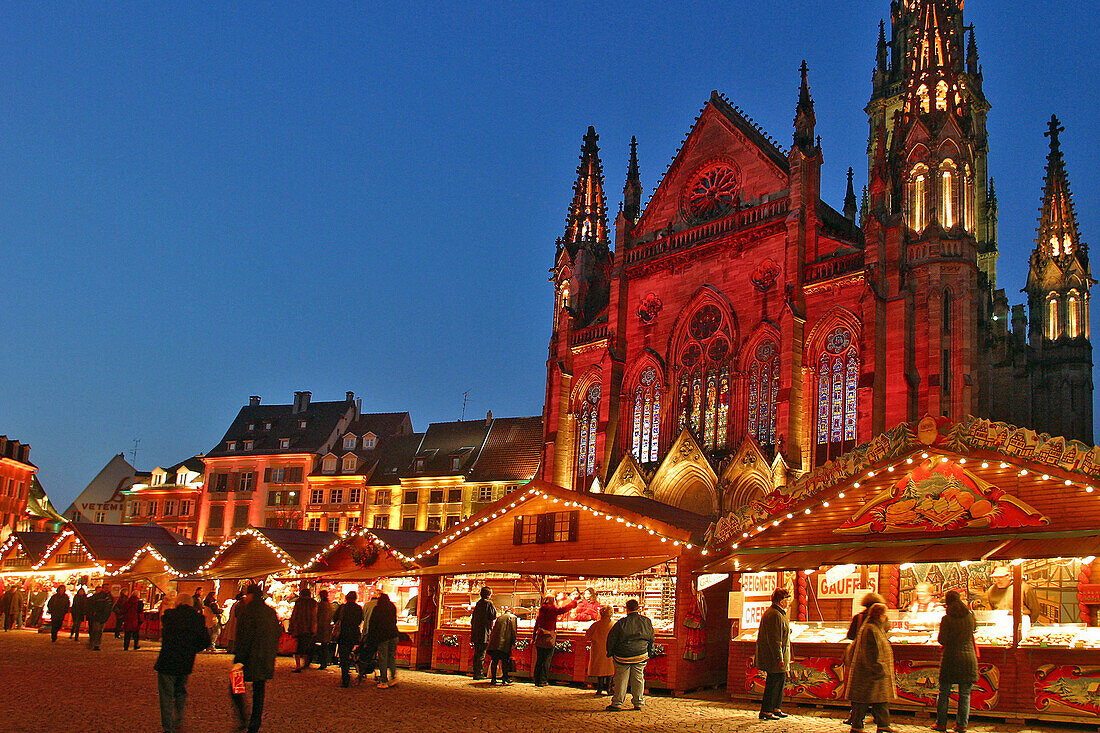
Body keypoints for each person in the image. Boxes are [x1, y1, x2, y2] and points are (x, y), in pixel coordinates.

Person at [230, 583, 281, 733]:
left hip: (247, 658)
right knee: (259, 690)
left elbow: (244, 637)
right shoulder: (270, 612)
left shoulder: (248, 611)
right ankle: (254, 723)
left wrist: (239, 658)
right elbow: (276, 633)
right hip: (264, 657)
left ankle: (243, 717)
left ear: (251, 595)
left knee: (235, 686)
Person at [155, 594, 209, 733]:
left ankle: (168, 727)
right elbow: (205, 641)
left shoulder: (169, 615)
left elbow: (165, 631)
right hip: (186, 661)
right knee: (180, 691)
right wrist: (192, 649)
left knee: (166, 695)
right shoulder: (198, 619)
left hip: (167, 660)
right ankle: (179, 720)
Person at [845, 602, 897, 733]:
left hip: (874, 672)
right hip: (869, 672)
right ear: (879, 615)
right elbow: (870, 652)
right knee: (862, 701)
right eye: (885, 614)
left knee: (880, 699)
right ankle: (857, 726)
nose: (886, 617)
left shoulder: (876, 627)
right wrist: (878, 668)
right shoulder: (870, 629)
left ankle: (883, 724)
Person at [934, 590, 978, 732]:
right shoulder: (970, 616)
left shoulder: (947, 619)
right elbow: (974, 630)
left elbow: (942, 640)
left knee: (944, 692)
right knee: (965, 694)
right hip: (968, 658)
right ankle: (962, 725)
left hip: (951, 659)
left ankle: (941, 724)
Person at [605, 598, 655, 712]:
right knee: (638, 678)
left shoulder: (621, 623)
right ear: (638, 608)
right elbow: (651, 638)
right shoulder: (646, 621)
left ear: (626, 609)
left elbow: (612, 639)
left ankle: (617, 703)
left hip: (623, 655)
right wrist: (650, 651)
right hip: (640, 654)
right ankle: (638, 702)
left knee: (621, 679)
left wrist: (610, 652)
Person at [844, 592, 885, 727]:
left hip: (858, 657)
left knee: (859, 689)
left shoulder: (858, 617)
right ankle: (878, 719)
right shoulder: (878, 620)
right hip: (873, 659)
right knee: (875, 690)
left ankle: (855, 717)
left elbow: (850, 635)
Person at [755, 588, 792, 720]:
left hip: (781, 656)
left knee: (780, 681)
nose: (789, 602)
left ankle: (776, 707)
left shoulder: (779, 614)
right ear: (781, 601)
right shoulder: (775, 615)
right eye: (787, 599)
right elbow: (775, 639)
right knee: (773, 683)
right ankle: (766, 710)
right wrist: (779, 658)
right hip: (775, 657)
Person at [532, 592, 578, 686]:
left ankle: (536, 679)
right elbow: (563, 609)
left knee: (539, 659)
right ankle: (543, 680)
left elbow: (536, 624)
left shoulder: (541, 610)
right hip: (549, 637)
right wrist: (573, 603)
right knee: (547, 659)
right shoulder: (553, 609)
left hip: (540, 636)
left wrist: (533, 637)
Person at [367, 592, 399, 688]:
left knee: (383, 658)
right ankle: (393, 677)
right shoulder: (392, 607)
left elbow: (373, 623)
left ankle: (384, 679)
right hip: (394, 634)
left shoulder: (378, 609)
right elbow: (395, 620)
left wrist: (371, 636)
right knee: (391, 657)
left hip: (383, 636)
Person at [333, 590, 364, 688]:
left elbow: (335, 619)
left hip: (343, 634)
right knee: (354, 654)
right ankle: (360, 673)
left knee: (343, 657)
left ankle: (345, 678)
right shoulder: (358, 608)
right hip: (354, 635)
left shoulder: (342, 608)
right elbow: (360, 620)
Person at [585, 605, 615, 695]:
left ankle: (599, 688)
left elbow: (587, 636)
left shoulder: (596, 625)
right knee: (609, 669)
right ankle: (609, 688)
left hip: (598, 649)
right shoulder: (614, 624)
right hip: (610, 649)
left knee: (600, 669)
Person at [288, 586, 318, 672]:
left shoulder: (299, 602)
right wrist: (314, 628)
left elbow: (294, 615)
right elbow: (314, 617)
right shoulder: (313, 603)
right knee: (307, 646)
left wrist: (291, 626)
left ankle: (298, 666)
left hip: (299, 628)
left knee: (298, 647)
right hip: (309, 628)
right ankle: (306, 663)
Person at [469, 586, 496, 680]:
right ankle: (479, 673)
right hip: (484, 632)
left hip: (476, 632)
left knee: (477, 653)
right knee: (481, 653)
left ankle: (475, 672)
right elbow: (493, 616)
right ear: (489, 594)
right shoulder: (489, 603)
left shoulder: (478, 603)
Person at [488, 605, 518, 685]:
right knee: (505, 661)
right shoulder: (513, 617)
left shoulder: (499, 618)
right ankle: (505, 678)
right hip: (505, 643)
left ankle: (493, 679)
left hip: (495, 643)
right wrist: (513, 642)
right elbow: (513, 631)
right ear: (513, 611)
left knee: (494, 661)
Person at [87, 585, 114, 651]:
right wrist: (94, 612)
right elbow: (91, 605)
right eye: (105, 588)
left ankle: (96, 644)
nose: (106, 589)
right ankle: (94, 644)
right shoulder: (98, 596)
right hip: (97, 616)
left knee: (99, 631)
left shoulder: (109, 597)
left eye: (107, 588)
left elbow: (109, 607)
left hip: (104, 616)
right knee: (96, 630)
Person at [315, 589, 335, 670]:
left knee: (322, 646)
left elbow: (317, 616)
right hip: (327, 627)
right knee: (324, 645)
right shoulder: (329, 605)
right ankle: (324, 662)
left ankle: (322, 662)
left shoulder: (321, 605)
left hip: (321, 627)